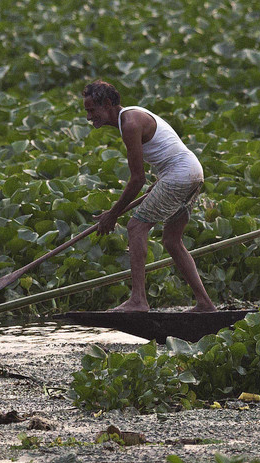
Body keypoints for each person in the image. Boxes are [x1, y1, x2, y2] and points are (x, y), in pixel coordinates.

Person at [82, 80, 215, 313]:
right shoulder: (131, 118)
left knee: (135, 227)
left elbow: (137, 180)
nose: (89, 117)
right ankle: (205, 303)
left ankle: (138, 300)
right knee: (172, 241)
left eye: (92, 110)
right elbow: (163, 152)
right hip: (193, 172)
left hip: (180, 175)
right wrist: (159, 182)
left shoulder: (130, 123)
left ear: (107, 104)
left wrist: (112, 216)